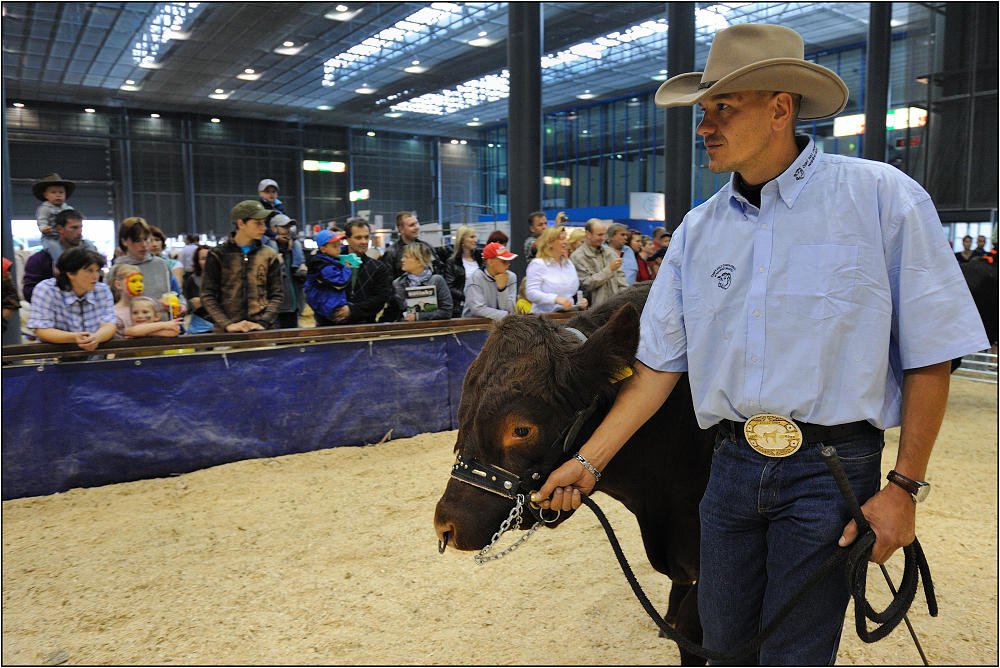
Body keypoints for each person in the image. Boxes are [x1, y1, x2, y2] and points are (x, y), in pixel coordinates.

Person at [534, 23, 989, 666]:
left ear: (781, 107)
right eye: (704, 110)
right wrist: (589, 461)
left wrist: (904, 488)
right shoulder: (697, 230)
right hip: (728, 469)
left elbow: (931, 352)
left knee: (794, 658)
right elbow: (658, 368)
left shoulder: (882, 199)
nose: (705, 125)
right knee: (721, 650)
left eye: (724, 107)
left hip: (831, 469)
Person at [201, 200, 283, 333]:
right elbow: (207, 295)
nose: (263, 228)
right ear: (241, 223)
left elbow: (277, 294)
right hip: (226, 334)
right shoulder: (218, 254)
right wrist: (227, 324)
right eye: (258, 223)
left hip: (260, 332)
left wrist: (263, 322)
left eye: (263, 223)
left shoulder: (269, 254)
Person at [26, 247, 117, 351]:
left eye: (97, 271)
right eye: (89, 271)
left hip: (95, 359)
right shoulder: (46, 290)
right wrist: (74, 337)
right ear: (70, 273)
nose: (96, 277)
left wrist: (96, 337)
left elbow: (110, 324)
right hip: (55, 360)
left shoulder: (103, 290)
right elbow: (41, 330)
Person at [111, 217, 187, 319]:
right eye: (137, 240)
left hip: (166, 328)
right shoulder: (116, 271)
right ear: (125, 241)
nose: (144, 245)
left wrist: (181, 306)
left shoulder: (162, 265)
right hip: (133, 330)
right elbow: (111, 308)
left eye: (146, 239)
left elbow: (177, 294)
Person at [325, 218, 393, 325]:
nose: (364, 242)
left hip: (365, 326)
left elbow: (380, 298)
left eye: (366, 237)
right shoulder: (330, 263)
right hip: (330, 325)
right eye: (358, 238)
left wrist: (352, 310)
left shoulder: (379, 268)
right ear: (347, 239)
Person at [21, 209, 95, 302]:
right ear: (60, 229)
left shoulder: (88, 255)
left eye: (81, 227)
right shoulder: (39, 260)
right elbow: (29, 293)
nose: (79, 232)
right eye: (74, 228)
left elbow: (97, 286)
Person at [382, 243, 452, 322]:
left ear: (419, 261)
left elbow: (446, 311)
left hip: (432, 330)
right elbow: (392, 313)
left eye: (406, 257)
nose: (402, 260)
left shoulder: (437, 281)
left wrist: (418, 316)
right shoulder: (397, 283)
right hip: (406, 330)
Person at [525, 225, 587, 313]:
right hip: (544, 318)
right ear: (550, 243)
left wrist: (580, 302)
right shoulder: (538, 264)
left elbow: (571, 293)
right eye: (562, 239)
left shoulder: (568, 263)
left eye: (566, 238)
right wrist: (555, 299)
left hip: (568, 316)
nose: (566, 242)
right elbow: (531, 293)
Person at [569, 218, 626, 309]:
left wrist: (623, 301)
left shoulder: (610, 253)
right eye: (599, 235)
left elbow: (622, 280)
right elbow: (586, 284)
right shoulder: (577, 257)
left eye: (604, 234)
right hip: (594, 312)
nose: (603, 238)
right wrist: (609, 269)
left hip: (616, 308)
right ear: (588, 234)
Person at [305, 229, 352, 327]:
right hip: (327, 308)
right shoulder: (323, 266)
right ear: (323, 249)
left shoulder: (328, 261)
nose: (338, 249)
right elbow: (340, 281)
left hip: (328, 305)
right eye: (334, 246)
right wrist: (347, 269)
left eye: (339, 245)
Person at [268, 213, 307, 329]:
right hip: (277, 308)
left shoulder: (294, 248)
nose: (288, 230)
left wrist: (303, 272)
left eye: (289, 227)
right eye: (284, 227)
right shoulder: (268, 249)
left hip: (294, 306)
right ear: (273, 228)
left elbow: (302, 277)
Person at [462, 242, 518, 320]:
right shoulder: (475, 278)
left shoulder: (511, 277)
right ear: (490, 262)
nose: (508, 264)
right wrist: (506, 315)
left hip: (502, 325)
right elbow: (477, 309)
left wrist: (502, 289)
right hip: (474, 326)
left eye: (509, 261)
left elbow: (511, 309)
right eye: (504, 261)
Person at [32, 173, 77, 266]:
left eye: (61, 192)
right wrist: (44, 228)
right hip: (50, 237)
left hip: (66, 237)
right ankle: (60, 267)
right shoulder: (44, 208)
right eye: (53, 192)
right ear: (46, 195)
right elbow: (42, 220)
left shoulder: (68, 208)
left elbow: (74, 220)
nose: (58, 195)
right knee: (55, 249)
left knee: (84, 245)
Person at [380, 211, 440, 279]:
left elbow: (437, 271)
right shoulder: (391, 253)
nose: (417, 227)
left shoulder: (427, 247)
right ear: (401, 229)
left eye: (417, 223)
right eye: (412, 225)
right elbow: (388, 280)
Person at [444, 226, 483, 318]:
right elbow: (449, 287)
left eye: (475, 237)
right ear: (462, 240)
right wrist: (469, 296)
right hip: (461, 307)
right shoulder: (452, 262)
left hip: (482, 304)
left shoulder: (481, 259)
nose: (475, 240)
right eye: (472, 237)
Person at [181, 245, 215, 334]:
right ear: (198, 262)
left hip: (223, 328)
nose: (207, 261)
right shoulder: (192, 279)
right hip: (200, 329)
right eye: (203, 258)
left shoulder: (226, 278)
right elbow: (196, 304)